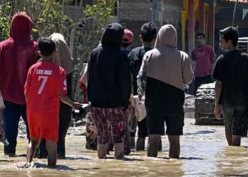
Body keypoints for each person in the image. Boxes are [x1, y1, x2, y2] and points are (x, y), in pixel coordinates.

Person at [138, 24, 194, 158]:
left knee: (153, 138)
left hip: (153, 101)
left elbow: (140, 78)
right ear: (175, 38)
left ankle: (152, 169)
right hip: (175, 101)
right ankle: (174, 168)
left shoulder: (149, 55)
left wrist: (142, 95)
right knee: (174, 139)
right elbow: (189, 80)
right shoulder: (183, 56)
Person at [24, 38, 81, 167]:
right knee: (51, 142)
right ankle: (52, 169)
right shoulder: (59, 71)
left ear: (39, 53)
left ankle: (28, 163)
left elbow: (26, 92)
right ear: (55, 52)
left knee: (33, 140)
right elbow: (61, 95)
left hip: (33, 110)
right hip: (49, 112)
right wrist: (73, 105)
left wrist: (31, 107)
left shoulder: (32, 69)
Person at [0, 12, 39, 156]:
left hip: (7, 95)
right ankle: (34, 156)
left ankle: (9, 155)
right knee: (32, 130)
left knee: (9, 131)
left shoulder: (2, 47)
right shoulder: (35, 47)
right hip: (29, 97)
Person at [86, 23, 132, 159]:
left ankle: (101, 163)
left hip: (97, 103)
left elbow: (90, 77)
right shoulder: (121, 56)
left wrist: (91, 99)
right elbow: (125, 82)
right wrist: (126, 102)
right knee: (118, 137)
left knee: (102, 134)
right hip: (116, 104)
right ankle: (118, 164)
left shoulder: (95, 53)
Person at [212, 27, 248, 146]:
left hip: (227, 102)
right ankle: (235, 154)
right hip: (243, 102)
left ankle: (231, 154)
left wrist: (216, 105)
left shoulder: (221, 60)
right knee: (237, 132)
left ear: (229, 42)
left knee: (228, 127)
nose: (220, 43)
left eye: (221, 40)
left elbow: (219, 84)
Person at [38, 33, 75, 159]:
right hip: (61, 104)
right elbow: (63, 94)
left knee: (44, 135)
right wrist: (73, 104)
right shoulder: (64, 70)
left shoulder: (37, 68)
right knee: (59, 136)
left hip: (44, 107)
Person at [127, 22, 158, 151]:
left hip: (134, 97)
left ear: (141, 37)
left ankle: (134, 157)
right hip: (153, 98)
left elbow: (127, 76)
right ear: (155, 39)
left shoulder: (133, 54)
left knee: (133, 133)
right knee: (154, 133)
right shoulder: (158, 55)